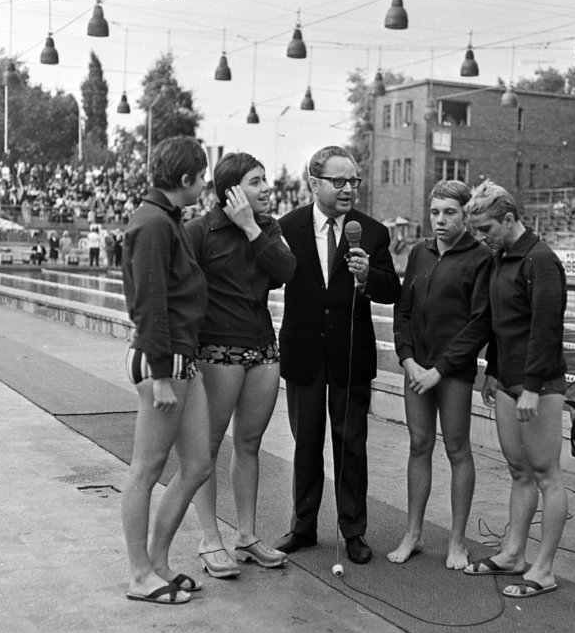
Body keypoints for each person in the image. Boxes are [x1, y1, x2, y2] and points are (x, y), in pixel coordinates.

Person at [273, 146, 401, 564]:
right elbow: (270, 278)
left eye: (354, 182)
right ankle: (303, 526)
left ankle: (354, 531)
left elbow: (391, 290)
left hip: (350, 353)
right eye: (339, 181)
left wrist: (368, 278)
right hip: (305, 351)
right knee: (305, 442)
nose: (349, 189)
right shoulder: (287, 227)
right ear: (314, 183)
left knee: (352, 445)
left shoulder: (372, 232)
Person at [186, 152, 296, 578]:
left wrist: (252, 228)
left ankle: (246, 536)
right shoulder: (199, 232)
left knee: (249, 444)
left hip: (261, 349)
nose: (267, 187)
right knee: (208, 448)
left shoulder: (268, 228)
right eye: (256, 181)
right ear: (231, 191)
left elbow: (286, 270)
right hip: (217, 350)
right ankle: (209, 538)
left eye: (266, 179)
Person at [463, 180, 568, 599]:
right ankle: (512, 554)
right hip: (508, 381)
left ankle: (543, 570)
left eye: (485, 228)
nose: (480, 237)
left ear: (509, 219)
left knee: (547, 474)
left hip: (536, 386)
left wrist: (531, 386)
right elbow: (503, 325)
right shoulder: (502, 257)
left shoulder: (540, 260)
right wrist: (493, 370)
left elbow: (546, 329)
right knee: (519, 471)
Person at [121, 136, 212, 605]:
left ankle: (157, 562)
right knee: (146, 469)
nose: (206, 183)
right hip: (165, 359)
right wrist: (159, 374)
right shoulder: (153, 223)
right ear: (185, 180)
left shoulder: (167, 219)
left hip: (181, 357)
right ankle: (139, 575)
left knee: (197, 464)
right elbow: (148, 303)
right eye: (202, 176)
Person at [389, 180, 493, 570]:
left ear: (466, 214)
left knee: (455, 447)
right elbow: (403, 311)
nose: (440, 220)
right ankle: (413, 534)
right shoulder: (420, 252)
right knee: (418, 443)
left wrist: (441, 369)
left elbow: (479, 323)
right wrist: (407, 359)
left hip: (451, 371)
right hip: (417, 367)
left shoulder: (480, 257)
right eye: (435, 212)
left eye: (450, 212)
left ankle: (457, 540)